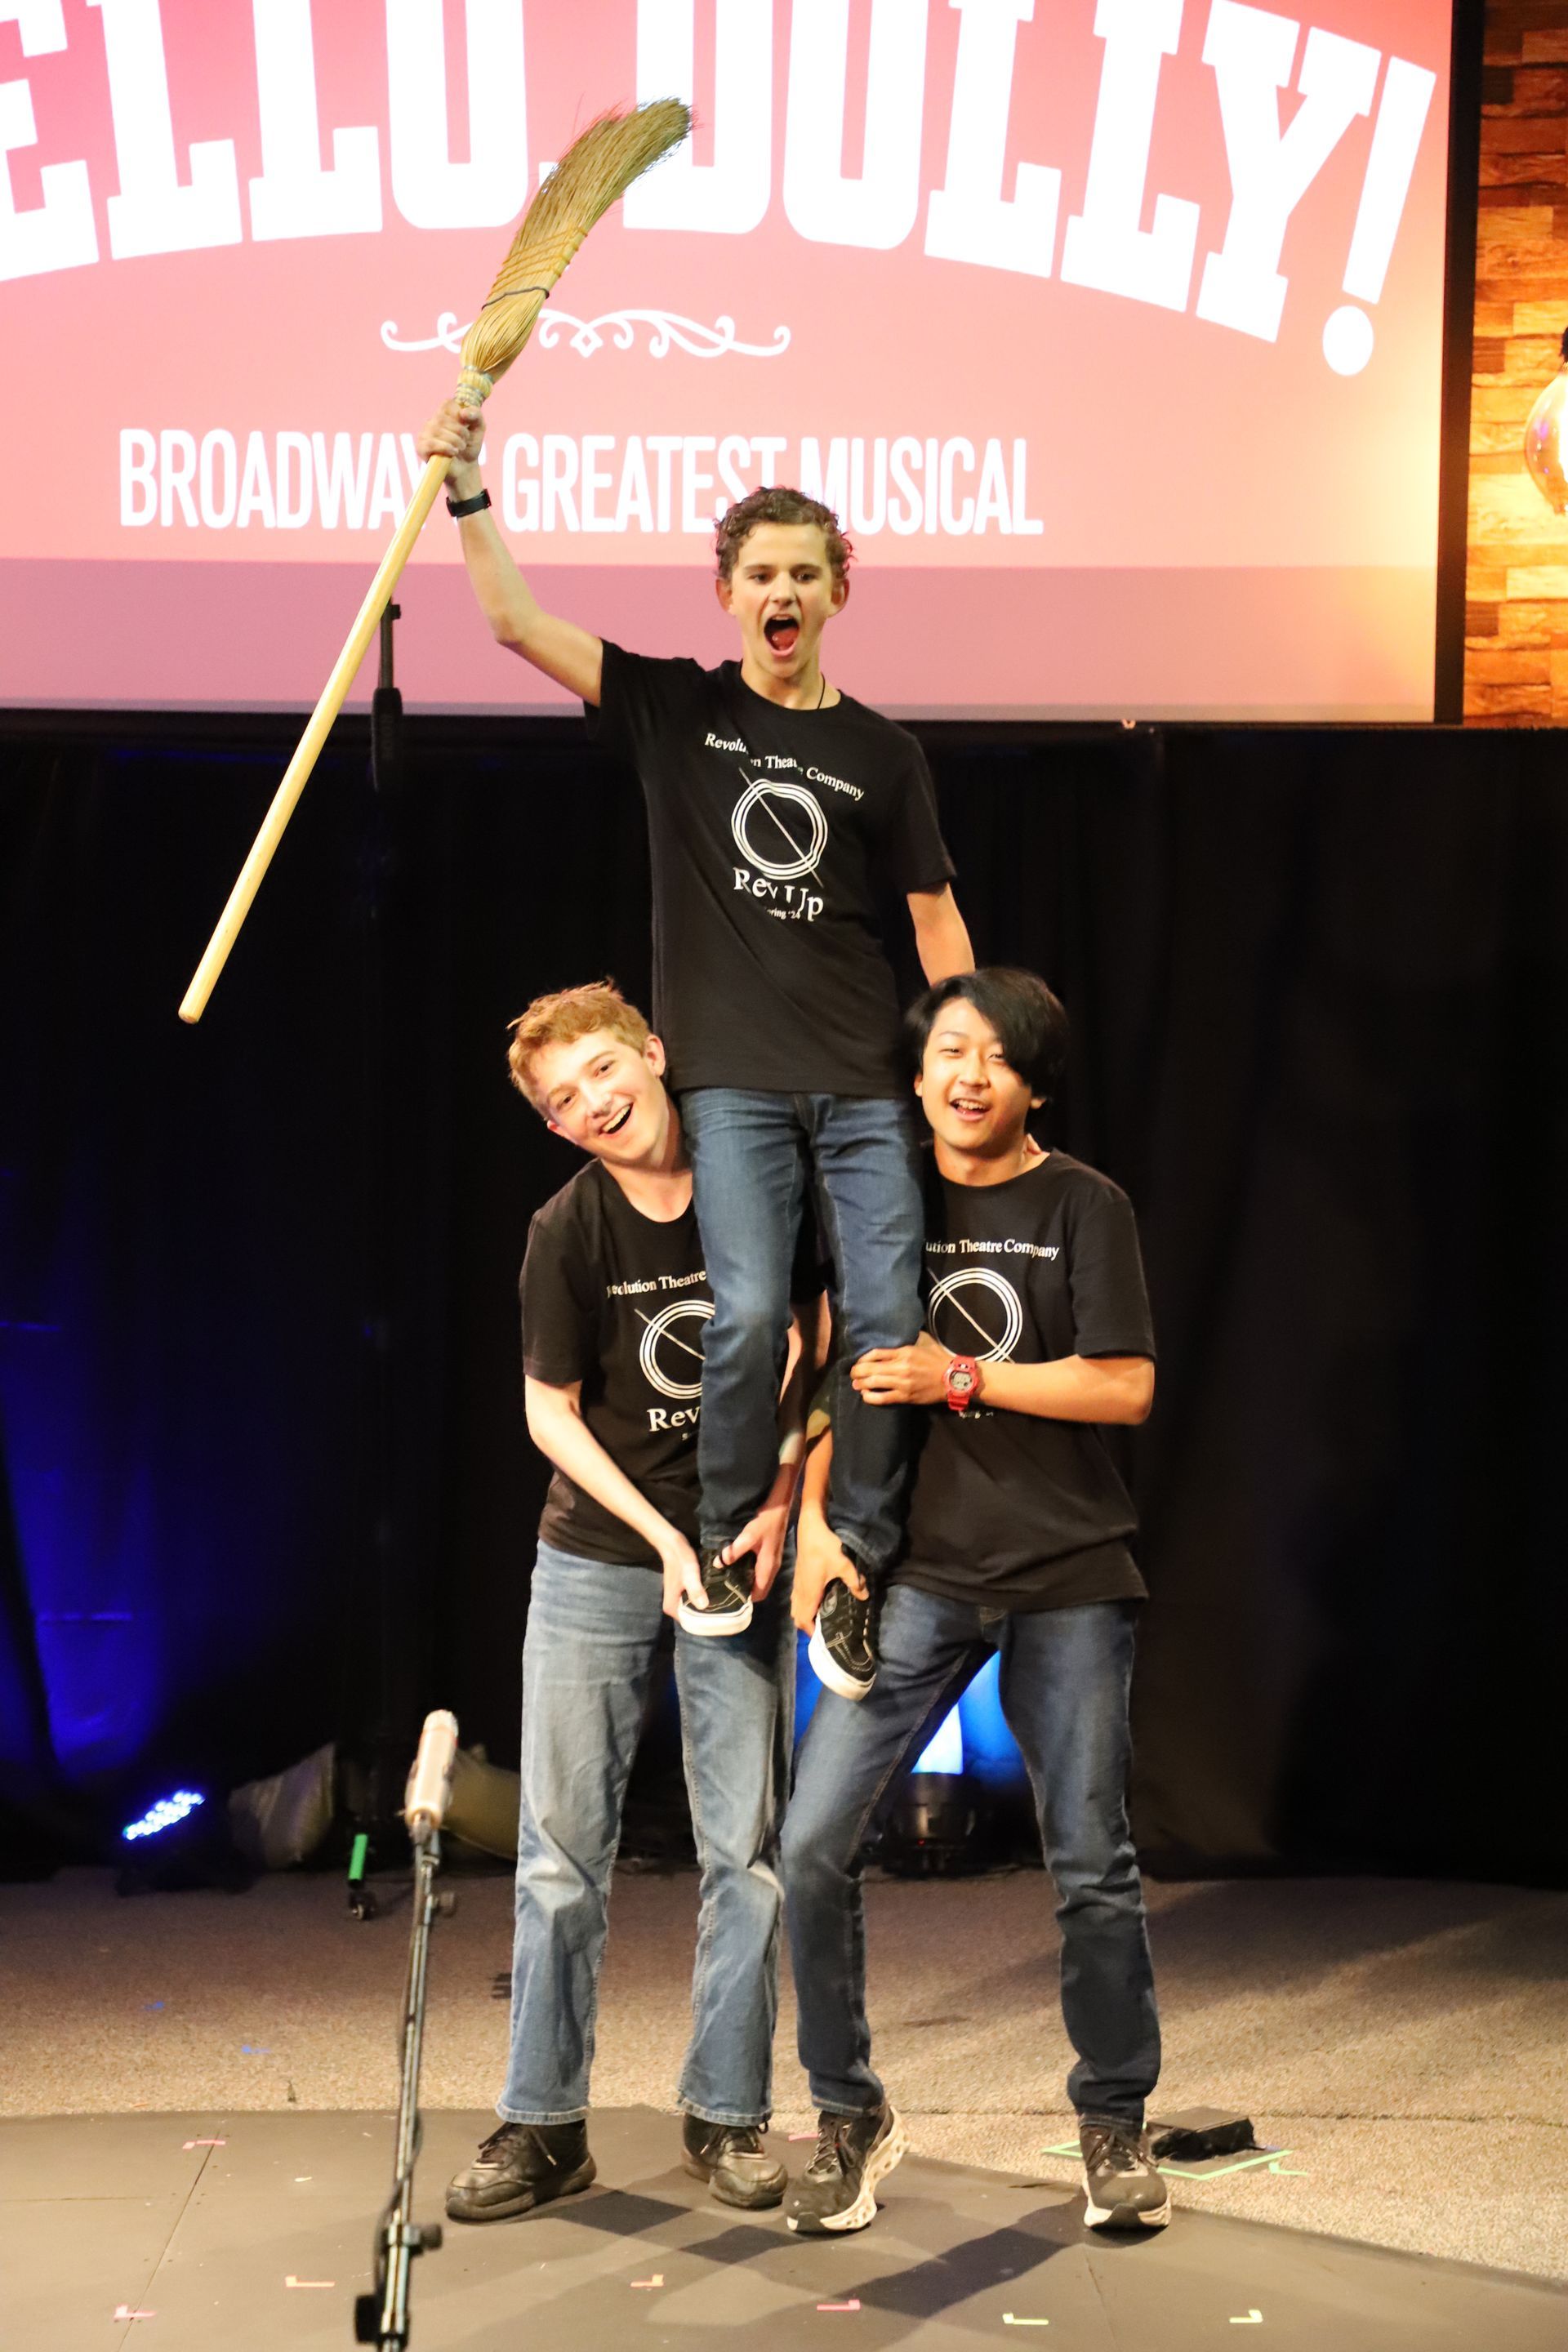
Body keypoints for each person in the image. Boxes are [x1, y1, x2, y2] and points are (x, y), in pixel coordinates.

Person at [414, 401, 973, 1699]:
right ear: (726, 594)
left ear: (841, 590)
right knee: (752, 1319)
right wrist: (466, 486)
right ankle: (727, 1548)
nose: (782, 592)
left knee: (888, 1321)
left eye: (803, 573)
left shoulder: (882, 755)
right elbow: (513, 624)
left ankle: (852, 1574)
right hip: (730, 1086)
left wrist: (959, 1075)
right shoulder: (676, 712)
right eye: (760, 574)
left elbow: (936, 920)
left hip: (864, 1087)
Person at [779, 969, 1169, 2238]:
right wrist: (826, 1532)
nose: (967, 1075)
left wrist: (964, 1378)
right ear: (916, 1071)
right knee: (813, 1841)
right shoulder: (885, 1199)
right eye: (949, 1050)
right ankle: (849, 2114)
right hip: (923, 1576)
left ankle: (1113, 2123)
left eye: (996, 1058)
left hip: (1068, 1572)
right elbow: (843, 1382)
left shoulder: (1082, 1205)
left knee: (1090, 1864)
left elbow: (1122, 1389)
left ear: (1034, 1083)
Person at [445, 982, 817, 2225]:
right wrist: (662, 1536)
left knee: (744, 1853)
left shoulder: (757, 1184)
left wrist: (780, 1499)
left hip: (741, 1546)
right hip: (603, 1552)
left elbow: (819, 1338)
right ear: (555, 1129)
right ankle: (545, 2125)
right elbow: (549, 1409)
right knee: (561, 1854)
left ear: (653, 1053)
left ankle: (727, 2114)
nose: (596, 1104)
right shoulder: (569, 1229)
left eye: (606, 1071)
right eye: (565, 1101)